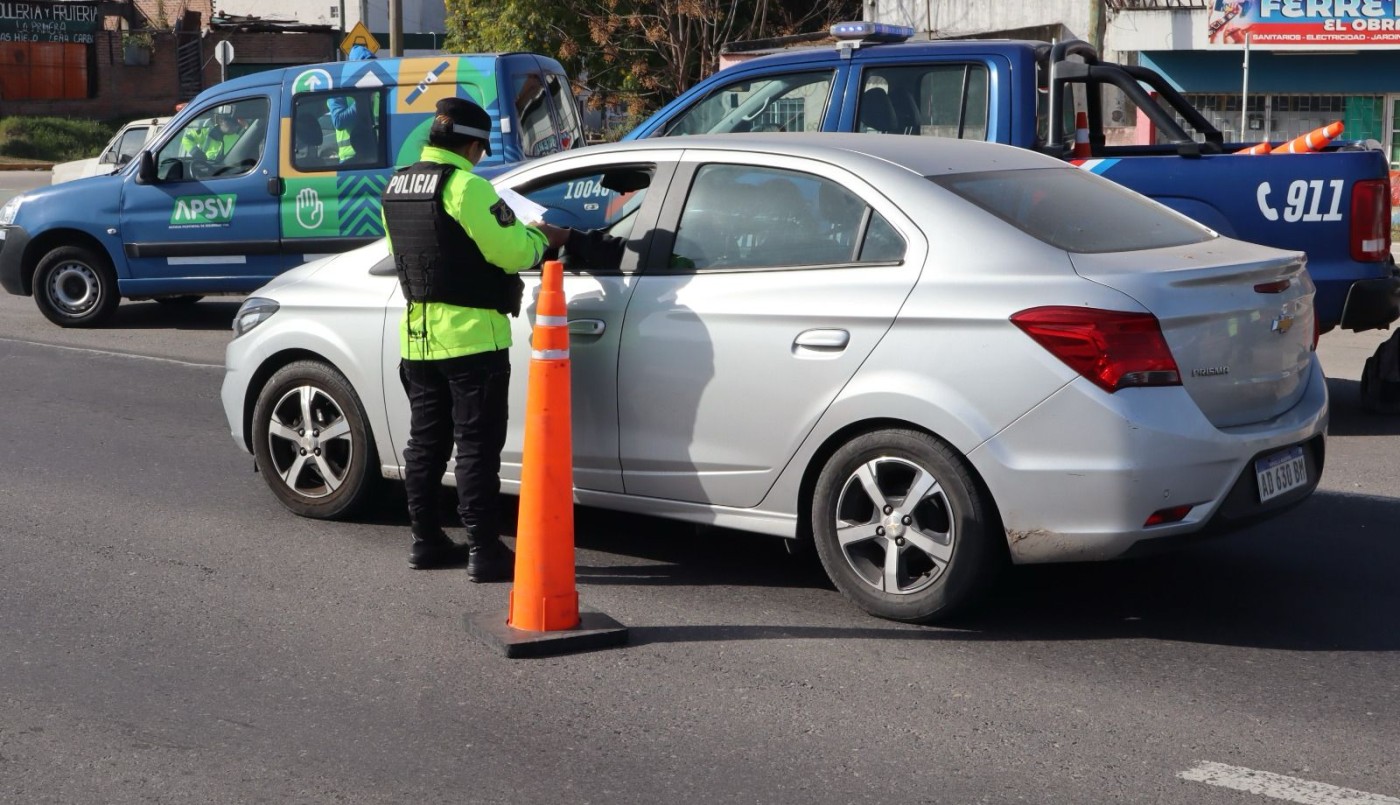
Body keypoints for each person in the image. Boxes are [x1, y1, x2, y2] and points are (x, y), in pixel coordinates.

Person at [380, 97, 568, 577]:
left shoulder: (397, 186)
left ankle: (425, 542)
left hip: (417, 339)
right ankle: (484, 550)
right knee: (476, 448)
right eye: (481, 150)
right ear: (472, 145)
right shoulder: (467, 187)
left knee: (425, 444)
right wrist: (542, 237)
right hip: (473, 342)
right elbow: (512, 252)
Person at [328, 44, 379, 163]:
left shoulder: (378, 92)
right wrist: (363, 99)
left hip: (376, 157)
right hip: (351, 162)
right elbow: (339, 121)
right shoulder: (339, 90)